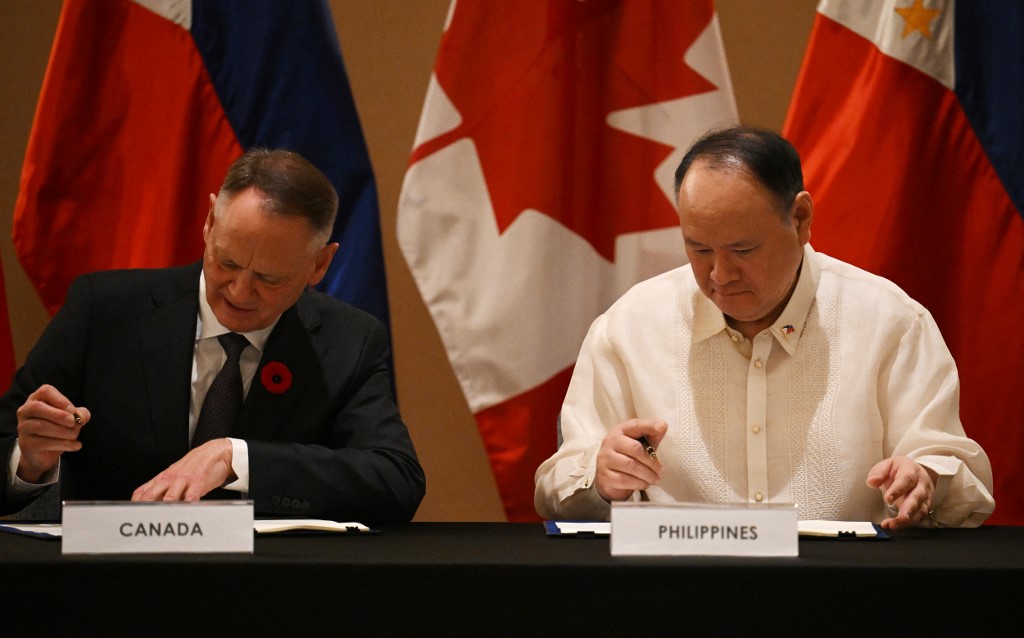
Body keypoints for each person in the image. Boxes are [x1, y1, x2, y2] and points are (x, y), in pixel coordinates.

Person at [535, 126, 994, 530]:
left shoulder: (889, 321)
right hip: (678, 597)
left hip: (846, 599)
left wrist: (927, 478)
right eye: (698, 250)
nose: (720, 274)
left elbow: (962, 479)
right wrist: (602, 476)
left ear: (800, 219)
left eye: (743, 250)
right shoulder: (632, 326)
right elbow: (554, 488)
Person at [1, 149, 425, 524]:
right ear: (209, 222)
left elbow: (395, 480)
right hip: (109, 587)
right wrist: (30, 461)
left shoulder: (350, 340)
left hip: (270, 594)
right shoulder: (105, 310)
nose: (239, 292)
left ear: (320, 264)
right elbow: (8, 437)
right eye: (227, 263)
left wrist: (235, 457)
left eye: (269, 278)